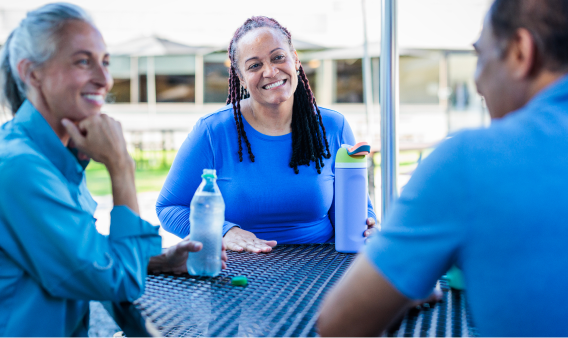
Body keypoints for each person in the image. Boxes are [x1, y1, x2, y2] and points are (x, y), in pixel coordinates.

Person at [318, 0, 568, 336]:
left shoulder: (469, 160)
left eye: (480, 56)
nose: (478, 84)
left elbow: (340, 324)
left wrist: (406, 287)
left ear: (521, 52)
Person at [0, 4, 226, 337]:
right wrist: (121, 167)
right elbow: (119, 282)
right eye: (82, 61)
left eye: (105, 62)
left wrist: (157, 260)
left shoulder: (55, 154)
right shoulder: (21, 167)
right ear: (32, 74)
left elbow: (78, 253)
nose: (105, 80)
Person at [157, 17, 377, 253]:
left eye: (278, 57)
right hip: (240, 271)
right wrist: (222, 230)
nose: (270, 71)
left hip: (322, 267)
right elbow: (169, 208)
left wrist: (370, 227)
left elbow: (357, 211)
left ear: (295, 60)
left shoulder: (332, 126)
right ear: (241, 78)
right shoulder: (213, 131)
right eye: (254, 65)